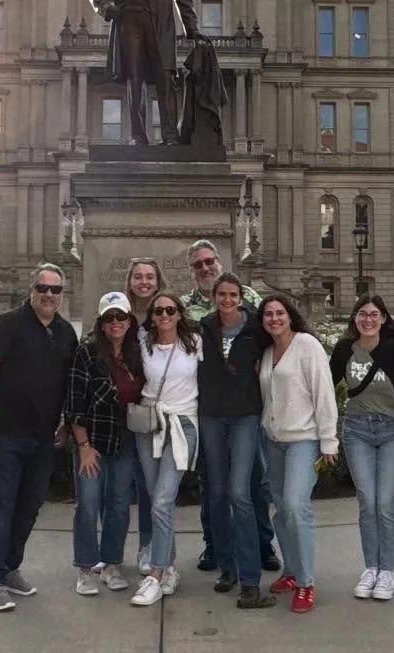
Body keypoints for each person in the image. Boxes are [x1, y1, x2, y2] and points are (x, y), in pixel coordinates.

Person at [0, 263, 79, 612]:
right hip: (7, 434)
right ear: (32, 290)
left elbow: (69, 381)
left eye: (55, 290)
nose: (49, 295)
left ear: (63, 294)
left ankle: (9, 568)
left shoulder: (65, 332)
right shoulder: (9, 324)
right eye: (43, 288)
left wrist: (66, 419)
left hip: (44, 438)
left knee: (30, 507)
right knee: (1, 505)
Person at [181, 240, 279, 576]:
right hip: (208, 407)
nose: (206, 268)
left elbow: (273, 337)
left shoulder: (251, 298)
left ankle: (263, 545)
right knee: (214, 484)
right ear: (192, 270)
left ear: (220, 263)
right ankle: (215, 547)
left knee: (254, 481)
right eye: (198, 265)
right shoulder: (184, 307)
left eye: (210, 262)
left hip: (246, 408)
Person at [328, 295, 394, 602]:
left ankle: (387, 571)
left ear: (383, 318)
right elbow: (326, 387)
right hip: (357, 431)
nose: (368, 319)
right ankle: (371, 568)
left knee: (385, 504)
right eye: (362, 314)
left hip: (391, 430)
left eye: (374, 314)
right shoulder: (345, 350)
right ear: (354, 319)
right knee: (367, 502)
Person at [197, 272, 276, 609]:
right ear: (213, 297)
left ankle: (249, 578)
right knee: (215, 493)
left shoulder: (256, 329)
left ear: (241, 298)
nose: (227, 300)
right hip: (212, 415)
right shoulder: (204, 327)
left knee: (239, 493)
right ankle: (227, 567)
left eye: (233, 295)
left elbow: (283, 349)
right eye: (222, 295)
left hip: (245, 415)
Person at [89, 0, 204, 146]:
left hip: (160, 27)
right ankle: (138, 136)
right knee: (136, 80)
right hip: (129, 26)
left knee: (166, 79)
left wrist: (192, 28)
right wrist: (107, 8)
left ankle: (170, 134)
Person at [258, 294, 338, 614]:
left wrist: (329, 441)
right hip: (273, 440)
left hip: (304, 439)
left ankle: (306, 581)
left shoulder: (307, 345)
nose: (274, 318)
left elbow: (324, 392)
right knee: (280, 508)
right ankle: (290, 571)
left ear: (290, 316)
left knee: (295, 505)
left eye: (279, 313)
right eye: (268, 314)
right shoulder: (265, 352)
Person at [64, 292, 144, 596]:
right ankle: (86, 567)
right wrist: (83, 445)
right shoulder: (86, 353)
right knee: (88, 503)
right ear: (101, 322)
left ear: (129, 320)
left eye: (120, 317)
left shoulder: (136, 352)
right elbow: (75, 403)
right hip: (93, 439)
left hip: (124, 437)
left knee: (119, 504)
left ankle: (111, 563)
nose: (115, 323)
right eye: (109, 318)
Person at [130, 290, 204, 606]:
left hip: (182, 426)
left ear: (179, 313)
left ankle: (157, 573)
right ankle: (170, 564)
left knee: (162, 499)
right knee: (155, 496)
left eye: (170, 310)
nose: (164, 315)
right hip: (149, 424)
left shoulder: (196, 344)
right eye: (158, 311)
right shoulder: (143, 344)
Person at [123, 257, 166, 572]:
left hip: (160, 413)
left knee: (156, 488)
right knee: (138, 482)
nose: (144, 282)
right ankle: (141, 547)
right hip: (128, 411)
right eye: (138, 277)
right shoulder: (120, 316)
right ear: (130, 282)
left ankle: (153, 548)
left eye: (150, 277)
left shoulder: (166, 315)